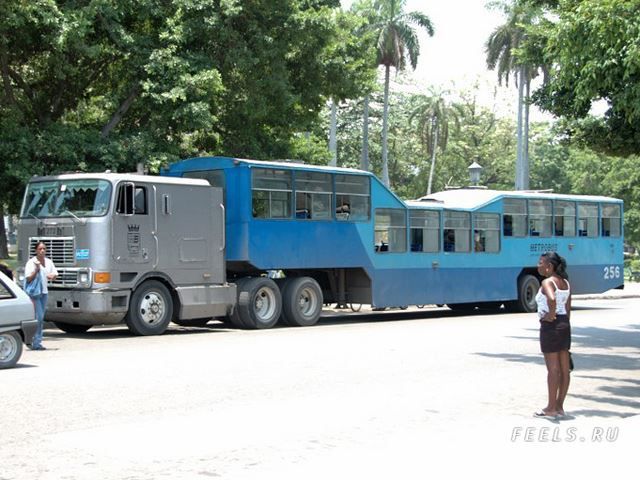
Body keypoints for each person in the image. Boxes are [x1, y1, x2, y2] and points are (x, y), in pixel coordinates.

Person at [534, 251, 572, 418]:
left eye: (540, 262)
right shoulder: (565, 282)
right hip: (564, 324)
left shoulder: (547, 282)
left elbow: (551, 299)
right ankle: (559, 406)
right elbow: (568, 307)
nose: (538, 265)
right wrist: (563, 323)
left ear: (549, 266)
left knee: (553, 370)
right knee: (565, 369)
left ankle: (550, 408)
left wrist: (550, 315)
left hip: (551, 326)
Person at [24, 241, 58, 350]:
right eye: (40, 249)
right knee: (38, 317)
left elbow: (55, 274)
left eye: (44, 249)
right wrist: (36, 270)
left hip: (44, 292)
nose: (42, 251)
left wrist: (52, 276)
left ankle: (34, 341)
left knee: (40, 317)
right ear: (36, 250)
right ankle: (35, 343)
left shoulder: (48, 262)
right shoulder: (31, 262)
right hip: (34, 293)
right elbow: (28, 278)